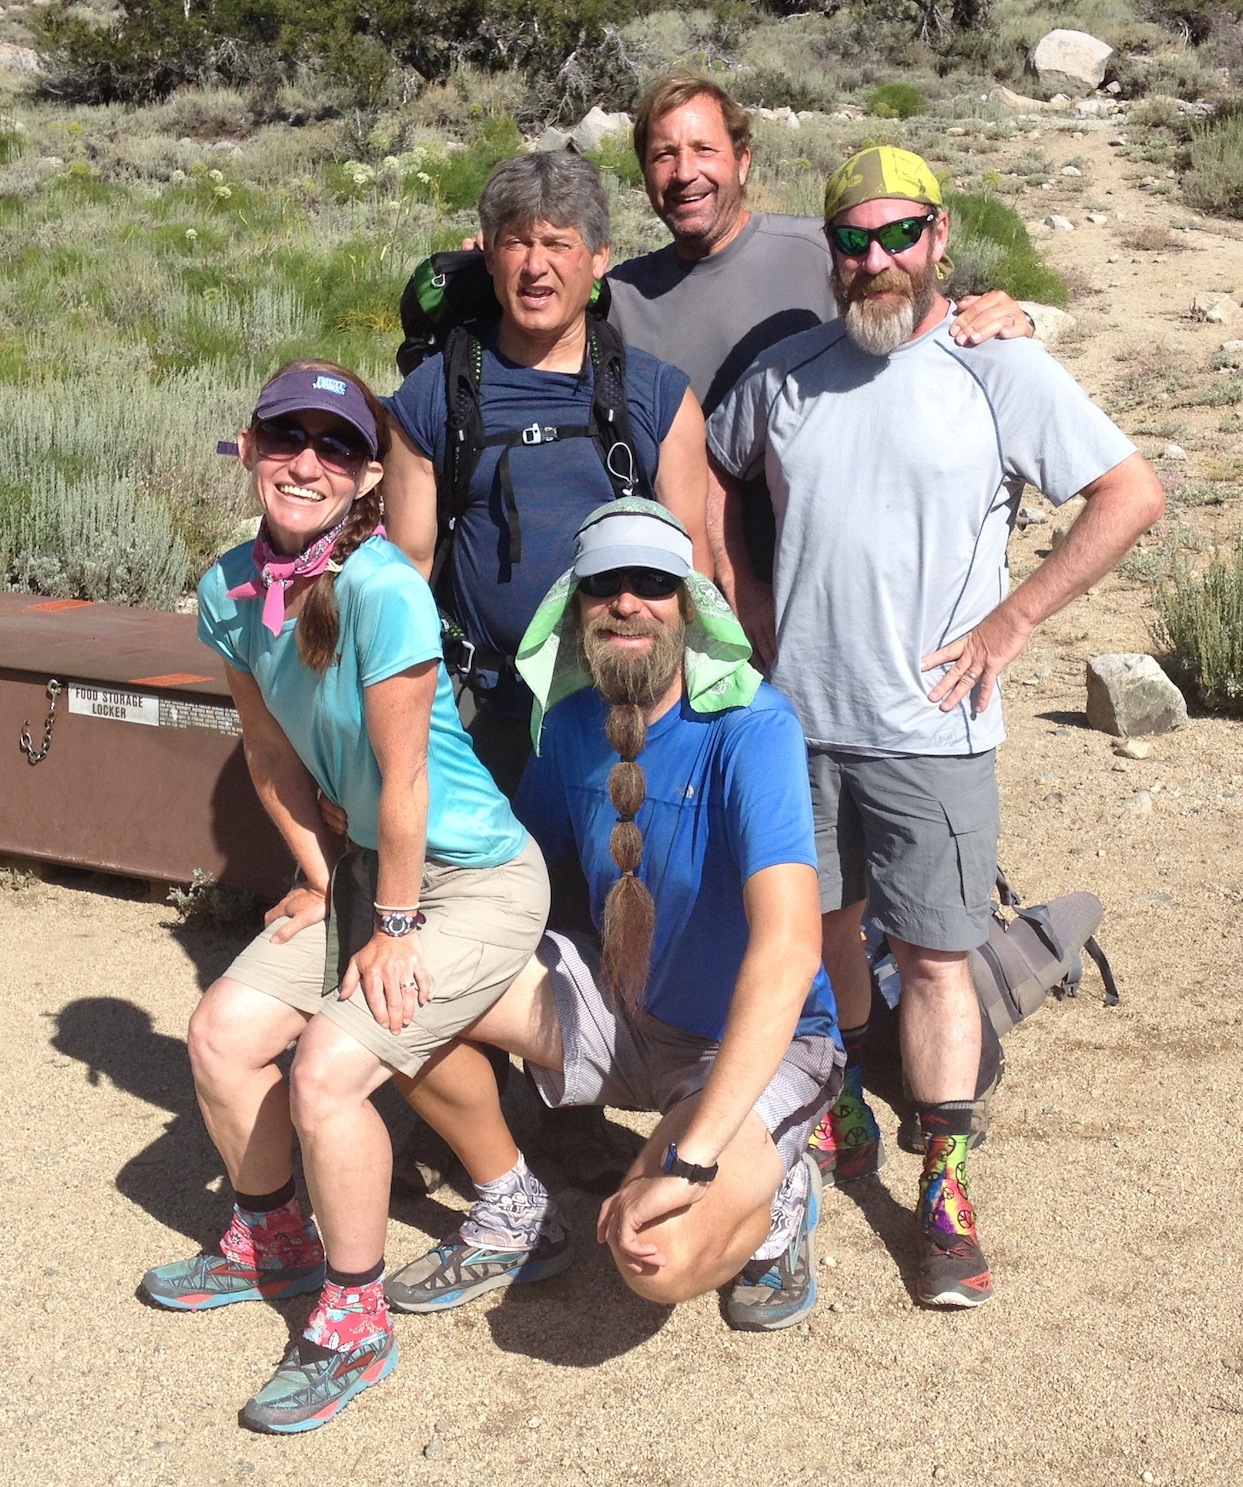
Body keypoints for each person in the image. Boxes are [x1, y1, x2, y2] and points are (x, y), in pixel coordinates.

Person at [706, 147, 1165, 1309]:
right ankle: (848, 1105)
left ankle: (945, 1181)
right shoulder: (789, 374)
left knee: (937, 958)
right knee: (819, 939)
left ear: (940, 235)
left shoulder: (993, 364)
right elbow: (707, 472)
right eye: (853, 240)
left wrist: (1014, 621)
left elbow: (1129, 492)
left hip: (932, 730)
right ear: (830, 252)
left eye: (897, 235)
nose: (876, 260)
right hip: (796, 725)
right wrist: (748, 608)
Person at [140, 362, 549, 1433]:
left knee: (328, 1066)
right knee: (221, 1031)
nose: (304, 463)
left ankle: (354, 1313)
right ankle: (273, 1236)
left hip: (472, 876)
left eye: (333, 445)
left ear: (368, 474)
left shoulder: (381, 586)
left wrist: (395, 923)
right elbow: (268, 747)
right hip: (366, 866)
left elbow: (404, 777)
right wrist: (323, 879)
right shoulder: (230, 586)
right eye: (286, 436)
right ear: (250, 443)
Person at [382, 498, 843, 1333]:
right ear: (576, 604)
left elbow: (786, 947)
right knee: (401, 991)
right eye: (604, 584)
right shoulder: (567, 726)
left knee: (652, 1257)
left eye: (653, 582)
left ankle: (779, 1187)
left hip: (747, 1045)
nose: (627, 600)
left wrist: (696, 1158)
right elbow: (516, 878)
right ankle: (511, 1203)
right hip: (620, 1011)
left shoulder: (751, 727)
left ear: (687, 604)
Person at [381, 150, 711, 1193]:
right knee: (483, 904)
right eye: (517, 240)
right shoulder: (434, 398)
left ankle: (655, 1092)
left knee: (622, 895)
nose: (536, 264)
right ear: (488, 252)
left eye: (558, 243)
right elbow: (406, 574)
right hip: (488, 708)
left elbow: (691, 565)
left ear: (597, 261)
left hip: (621, 708)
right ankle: (499, 1114)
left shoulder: (654, 394)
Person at [607, 71, 1035, 578]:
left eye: (704, 149)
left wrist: (1013, 319)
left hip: (829, 587)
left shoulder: (832, 253)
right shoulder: (617, 297)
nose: (684, 172)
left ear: (743, 162)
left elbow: (921, 315)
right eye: (663, 155)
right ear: (643, 173)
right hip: (679, 592)